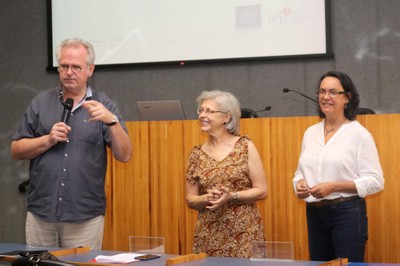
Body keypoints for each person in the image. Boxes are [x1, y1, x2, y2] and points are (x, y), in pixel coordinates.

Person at [11, 38, 132, 250]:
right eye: (64, 66)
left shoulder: (104, 106)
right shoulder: (41, 103)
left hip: (83, 216)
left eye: (76, 67)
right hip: (41, 212)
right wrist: (47, 139)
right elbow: (16, 150)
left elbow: (125, 155)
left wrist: (111, 121)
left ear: (90, 69)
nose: (69, 72)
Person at [293, 71, 384, 262]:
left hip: (347, 214)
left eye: (333, 92)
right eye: (322, 91)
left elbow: (376, 182)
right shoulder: (310, 133)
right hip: (314, 214)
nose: (326, 97)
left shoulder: (359, 134)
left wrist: (335, 186)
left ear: (347, 98)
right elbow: (300, 172)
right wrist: (299, 183)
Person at [185, 90, 268, 258]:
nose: (202, 115)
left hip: (245, 232)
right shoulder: (196, 154)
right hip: (208, 234)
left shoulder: (245, 147)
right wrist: (207, 198)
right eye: (200, 110)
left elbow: (262, 190)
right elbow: (191, 199)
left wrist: (232, 196)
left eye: (209, 111)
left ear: (227, 117)